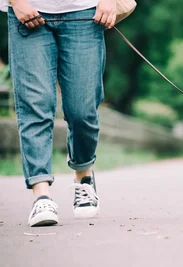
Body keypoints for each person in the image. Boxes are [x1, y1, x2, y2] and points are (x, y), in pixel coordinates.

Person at [1, 0, 116, 226]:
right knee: (35, 103)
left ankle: (83, 175)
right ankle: (41, 195)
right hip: (27, 8)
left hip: (84, 11)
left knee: (82, 109)